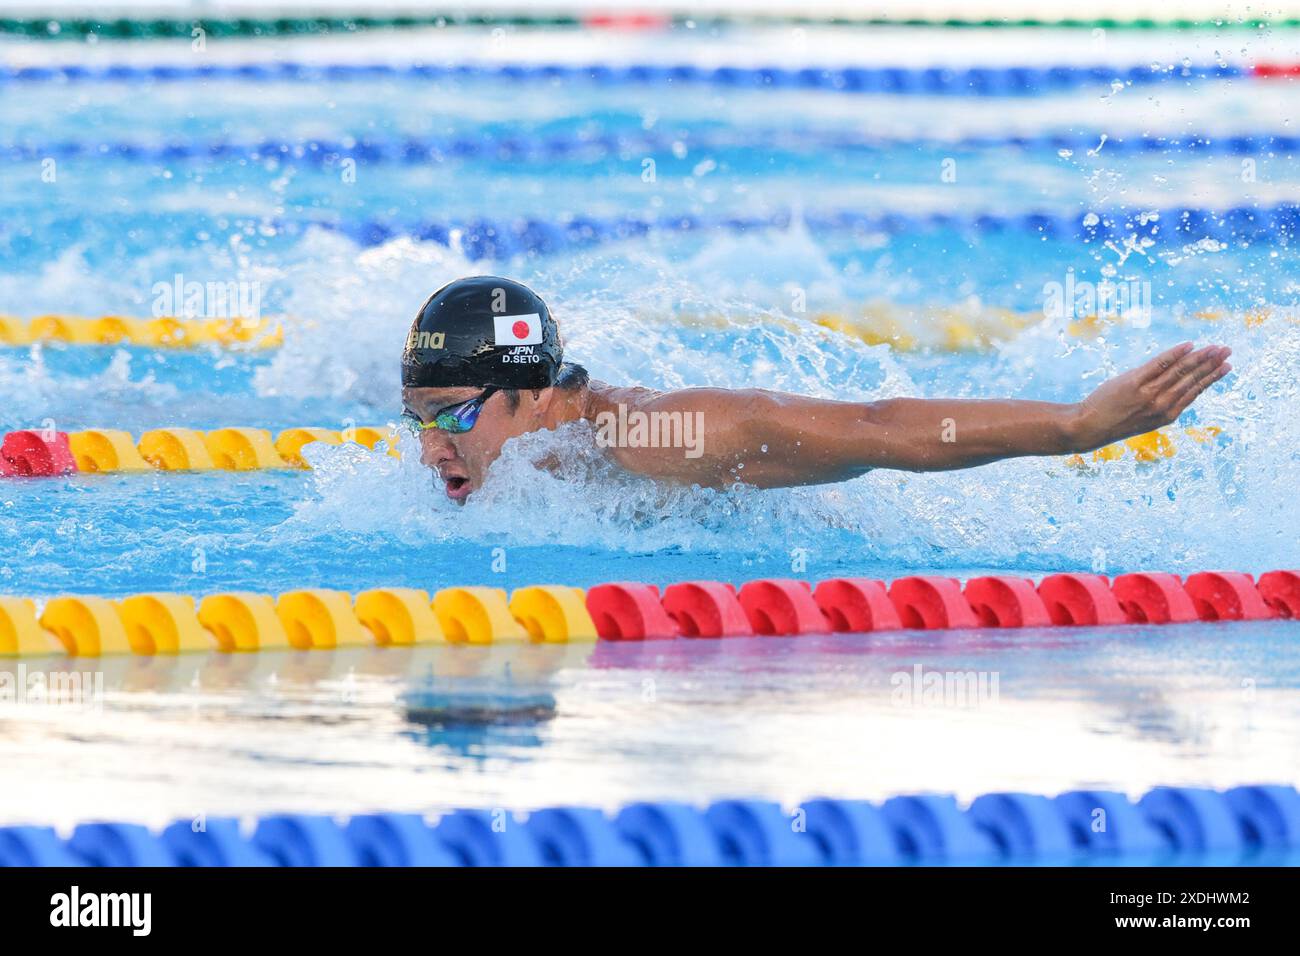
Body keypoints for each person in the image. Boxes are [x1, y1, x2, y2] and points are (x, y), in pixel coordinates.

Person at [401, 276, 1232, 502]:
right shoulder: (533, 455)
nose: (433, 447)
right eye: (418, 421)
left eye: (452, 416)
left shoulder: (657, 437)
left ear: (539, 392)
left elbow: (880, 427)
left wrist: (1075, 425)